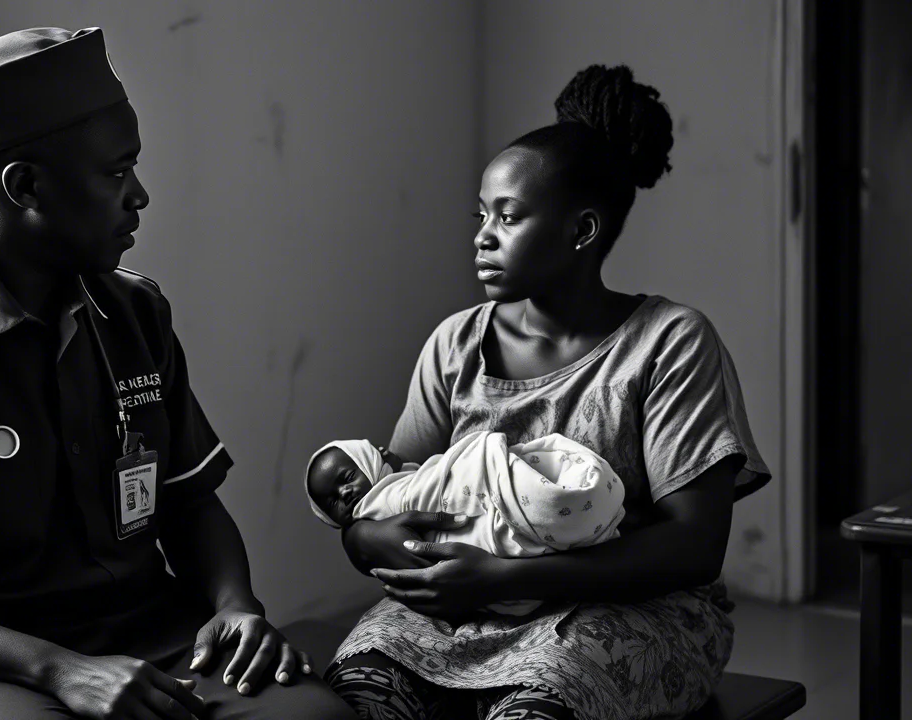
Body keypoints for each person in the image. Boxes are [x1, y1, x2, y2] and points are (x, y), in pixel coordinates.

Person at [0, 27, 354, 720]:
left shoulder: (134, 310)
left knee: (317, 717)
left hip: (158, 642)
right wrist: (57, 669)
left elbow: (190, 502)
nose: (140, 195)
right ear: (26, 186)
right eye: (116, 173)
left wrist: (236, 607)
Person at [326, 64, 771, 720]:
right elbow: (395, 492)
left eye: (508, 217)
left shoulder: (669, 342)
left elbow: (693, 547)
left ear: (581, 231)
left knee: (536, 710)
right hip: (463, 608)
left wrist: (514, 577)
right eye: (481, 215)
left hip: (626, 613)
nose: (481, 236)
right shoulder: (456, 344)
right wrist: (367, 540)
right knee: (358, 699)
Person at [306, 432, 626, 617]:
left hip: (589, 581)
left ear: (374, 459)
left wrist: (503, 579)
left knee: (545, 496)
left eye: (347, 478)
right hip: (453, 575)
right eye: (333, 501)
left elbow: (439, 479)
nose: (345, 493)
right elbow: (411, 487)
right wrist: (359, 536)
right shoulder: (452, 344)